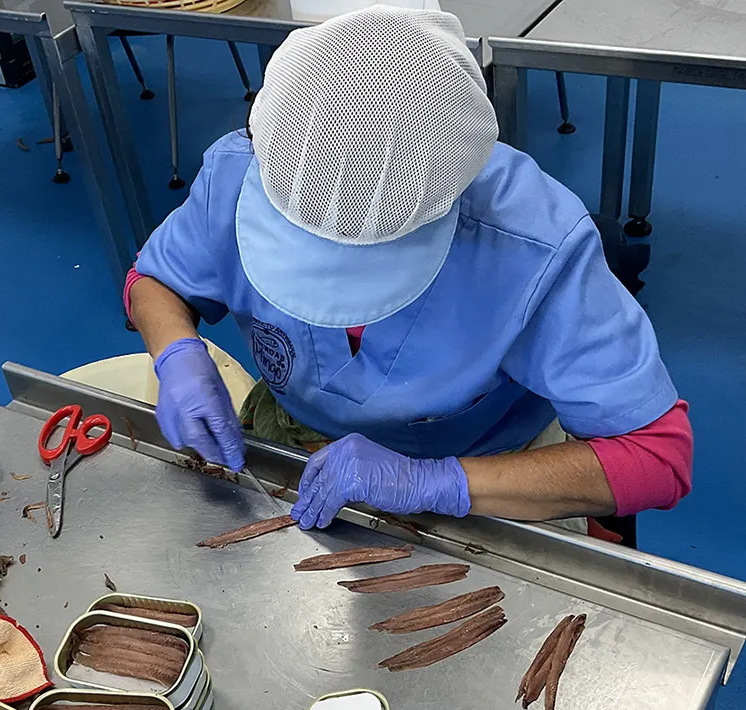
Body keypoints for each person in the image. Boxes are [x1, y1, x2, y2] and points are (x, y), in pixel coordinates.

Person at [125, 6, 692, 535]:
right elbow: (156, 280)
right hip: (293, 443)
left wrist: (440, 483)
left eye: (365, 263)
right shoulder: (242, 172)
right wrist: (176, 352)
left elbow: (658, 456)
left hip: (488, 476)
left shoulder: (532, 249)